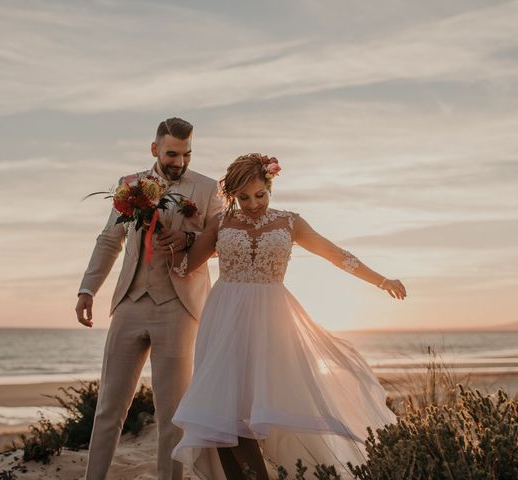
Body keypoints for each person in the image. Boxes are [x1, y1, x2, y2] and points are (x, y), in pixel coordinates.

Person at [164, 153, 406, 479]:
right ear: (232, 195)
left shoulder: (290, 222)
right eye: (243, 197)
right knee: (222, 410)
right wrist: (169, 236)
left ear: (270, 185)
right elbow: (183, 266)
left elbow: (336, 255)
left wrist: (381, 280)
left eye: (259, 195)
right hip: (223, 321)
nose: (252, 204)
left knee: (254, 408)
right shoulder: (221, 223)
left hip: (271, 323)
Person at [75, 117, 222, 480]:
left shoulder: (207, 189)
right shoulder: (130, 186)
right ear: (155, 149)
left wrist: (187, 241)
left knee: (172, 412)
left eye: (187, 154)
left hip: (179, 306)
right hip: (129, 303)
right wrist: (87, 289)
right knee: (109, 406)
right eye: (172, 153)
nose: (180, 162)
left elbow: (221, 239)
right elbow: (109, 241)